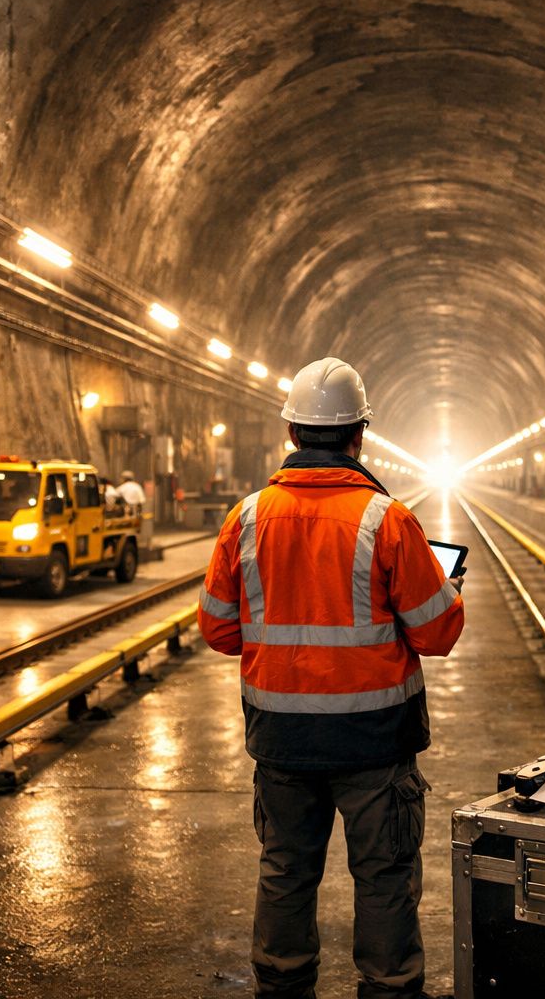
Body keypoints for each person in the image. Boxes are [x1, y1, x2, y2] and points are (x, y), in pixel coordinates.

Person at [198, 357, 464, 999]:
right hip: (375, 743)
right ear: (359, 435)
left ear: (292, 432)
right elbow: (436, 634)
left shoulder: (247, 518)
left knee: (285, 872)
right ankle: (390, 988)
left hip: (281, 740)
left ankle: (282, 987)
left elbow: (217, 630)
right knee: (384, 877)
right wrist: (448, 590)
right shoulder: (387, 520)